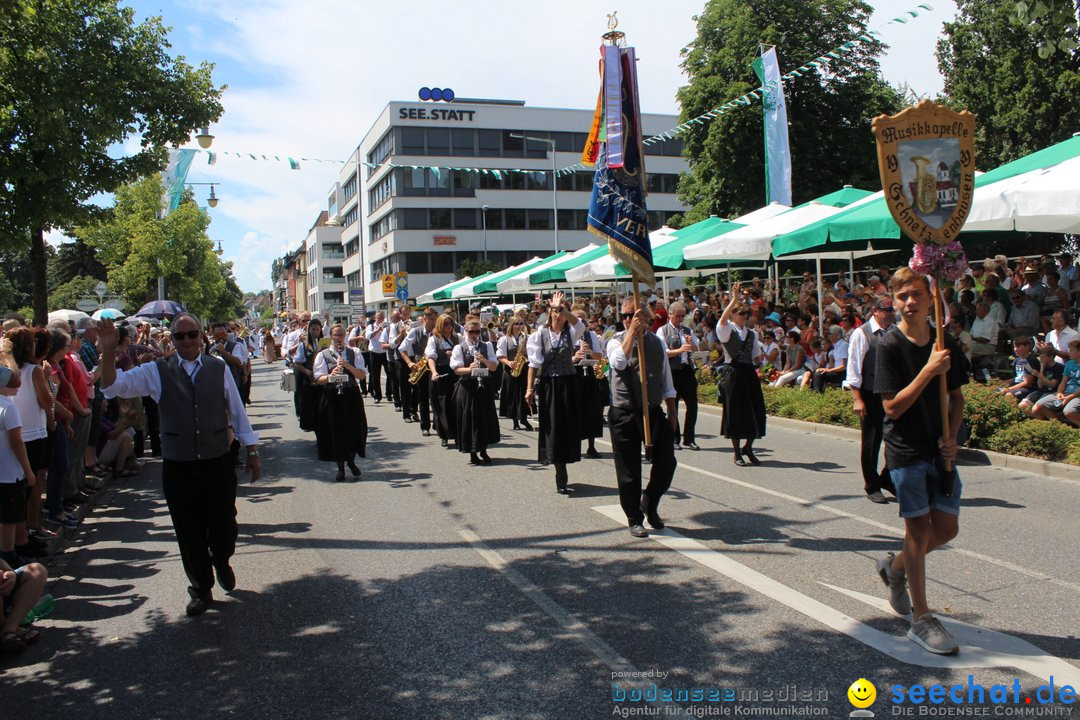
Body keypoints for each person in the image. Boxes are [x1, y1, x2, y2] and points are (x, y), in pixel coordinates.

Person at [99, 314, 260, 617]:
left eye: (191, 334)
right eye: (179, 337)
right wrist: (109, 351)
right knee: (188, 530)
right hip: (179, 464)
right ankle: (201, 588)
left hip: (217, 460)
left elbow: (236, 411)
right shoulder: (157, 371)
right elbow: (112, 386)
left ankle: (221, 557)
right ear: (171, 340)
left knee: (224, 525)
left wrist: (252, 450)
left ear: (201, 336)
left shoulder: (218, 367)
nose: (186, 341)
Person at [873, 267, 966, 656]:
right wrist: (928, 371)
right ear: (894, 304)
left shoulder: (946, 344)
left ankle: (894, 569)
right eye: (901, 298)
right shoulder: (889, 346)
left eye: (915, 295)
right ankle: (921, 618)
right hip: (906, 452)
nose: (909, 303)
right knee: (918, 530)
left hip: (937, 450)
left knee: (945, 531)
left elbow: (957, 398)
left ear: (930, 297)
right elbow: (892, 407)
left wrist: (953, 437)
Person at [606, 298, 678, 538]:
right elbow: (619, 362)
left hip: (653, 409)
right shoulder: (615, 341)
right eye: (626, 316)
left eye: (635, 316)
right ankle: (634, 517)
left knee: (667, 461)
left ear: (647, 318)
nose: (629, 319)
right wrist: (631, 334)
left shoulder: (657, 342)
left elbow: (666, 380)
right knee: (629, 470)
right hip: (624, 411)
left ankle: (649, 501)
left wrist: (673, 412)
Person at [525, 291, 584, 493]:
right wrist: (529, 388)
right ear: (549, 315)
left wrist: (563, 308)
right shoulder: (539, 335)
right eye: (554, 311)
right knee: (553, 426)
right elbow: (533, 364)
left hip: (569, 383)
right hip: (550, 385)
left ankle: (565, 461)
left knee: (567, 425)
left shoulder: (571, 332)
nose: (557, 315)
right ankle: (559, 467)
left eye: (560, 312)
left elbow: (580, 325)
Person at [846, 297, 896, 504]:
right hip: (871, 393)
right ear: (875, 310)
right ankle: (871, 484)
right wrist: (858, 398)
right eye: (887, 309)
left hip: (893, 394)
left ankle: (887, 477)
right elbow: (854, 368)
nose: (892, 312)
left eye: (893, 309)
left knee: (896, 440)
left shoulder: (896, 331)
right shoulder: (862, 333)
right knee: (871, 441)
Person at [716, 283, 766, 466]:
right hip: (733, 372)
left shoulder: (752, 334)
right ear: (733, 314)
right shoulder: (727, 329)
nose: (745, 316)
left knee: (756, 411)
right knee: (735, 413)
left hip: (748, 372)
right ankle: (737, 452)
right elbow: (721, 321)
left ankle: (748, 447)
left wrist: (763, 358)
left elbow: (756, 357)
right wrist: (733, 301)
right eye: (741, 313)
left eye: (747, 313)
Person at [313, 324, 368, 482]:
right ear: (331, 336)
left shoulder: (354, 352)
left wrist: (347, 365)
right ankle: (340, 468)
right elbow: (318, 379)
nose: (339, 338)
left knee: (354, 429)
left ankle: (351, 461)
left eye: (341, 335)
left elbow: (361, 376)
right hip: (332, 396)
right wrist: (331, 375)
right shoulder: (323, 355)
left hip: (351, 395)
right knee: (336, 432)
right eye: (336, 335)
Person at [451, 317, 500, 465]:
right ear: (466, 331)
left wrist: (484, 360)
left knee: (485, 419)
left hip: (483, 387)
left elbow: (494, 367)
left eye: (477, 332)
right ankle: (472, 452)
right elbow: (456, 370)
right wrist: (469, 368)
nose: (474, 335)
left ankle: (483, 450)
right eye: (471, 331)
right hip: (468, 388)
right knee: (470, 420)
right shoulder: (459, 348)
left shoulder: (487, 346)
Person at [659, 302, 700, 451]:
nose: (680, 319)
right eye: (677, 316)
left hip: (687, 370)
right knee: (673, 406)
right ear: (670, 315)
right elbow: (663, 352)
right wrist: (680, 349)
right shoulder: (662, 330)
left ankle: (689, 439)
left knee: (693, 406)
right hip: (673, 371)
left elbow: (696, 350)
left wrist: (691, 344)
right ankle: (674, 438)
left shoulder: (687, 330)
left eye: (682, 316)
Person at [572, 307, 606, 458]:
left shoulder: (591, 335)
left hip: (589, 373)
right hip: (573, 374)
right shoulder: (566, 335)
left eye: (583, 320)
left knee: (592, 409)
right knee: (575, 410)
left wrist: (589, 351)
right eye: (577, 320)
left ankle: (591, 446)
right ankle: (574, 445)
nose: (581, 322)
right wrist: (574, 357)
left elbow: (599, 356)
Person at [400, 309, 436, 437]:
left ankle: (438, 424)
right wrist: (409, 363)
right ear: (424, 319)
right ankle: (425, 426)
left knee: (437, 397)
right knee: (423, 398)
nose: (433, 321)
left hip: (436, 367)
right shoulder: (416, 332)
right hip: (421, 367)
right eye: (430, 318)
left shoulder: (438, 332)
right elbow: (402, 348)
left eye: (434, 318)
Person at [426, 314, 459, 448]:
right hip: (440, 373)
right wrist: (434, 372)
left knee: (455, 404)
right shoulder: (434, 339)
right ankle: (444, 435)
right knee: (441, 405)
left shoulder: (458, 338)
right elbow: (431, 357)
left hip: (455, 372)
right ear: (440, 325)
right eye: (445, 324)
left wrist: (455, 355)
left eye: (450, 323)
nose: (449, 326)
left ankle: (457, 434)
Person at [1032, 339, 1080, 426]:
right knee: (1040, 405)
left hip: (1077, 394)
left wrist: (1069, 397)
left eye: (1071, 350)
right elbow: (1064, 381)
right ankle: (1060, 428)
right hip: (1067, 392)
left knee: (1069, 411)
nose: (1069, 352)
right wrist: (1059, 392)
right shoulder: (1070, 364)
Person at [496, 316, 532, 431]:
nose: (519, 326)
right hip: (510, 370)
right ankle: (515, 421)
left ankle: (524, 418)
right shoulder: (504, 339)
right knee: (512, 396)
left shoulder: (527, 337)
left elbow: (532, 353)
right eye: (516, 324)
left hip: (524, 369)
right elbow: (500, 356)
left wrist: (527, 358)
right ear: (511, 325)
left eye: (521, 323)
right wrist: (508, 362)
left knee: (523, 394)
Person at [293, 319, 324, 433]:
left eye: (317, 329)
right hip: (309, 378)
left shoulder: (325, 343)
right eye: (313, 329)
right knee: (310, 404)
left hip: (322, 379)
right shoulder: (304, 345)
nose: (315, 332)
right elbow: (297, 363)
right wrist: (307, 372)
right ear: (309, 330)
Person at [998, 336, 1039, 401]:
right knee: (994, 391)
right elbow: (1016, 378)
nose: (1015, 349)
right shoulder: (1017, 360)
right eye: (1014, 347)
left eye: (1018, 347)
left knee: (1009, 395)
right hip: (1016, 386)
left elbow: (1027, 383)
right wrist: (1000, 382)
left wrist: (1008, 389)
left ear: (1027, 347)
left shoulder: (1032, 360)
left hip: (1028, 389)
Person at [811, 325, 848, 392]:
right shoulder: (836, 345)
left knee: (818, 375)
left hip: (842, 373)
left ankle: (816, 396)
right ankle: (811, 393)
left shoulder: (843, 345)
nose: (828, 335)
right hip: (836, 371)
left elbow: (844, 366)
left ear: (837, 335)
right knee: (815, 372)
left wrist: (828, 370)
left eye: (829, 333)